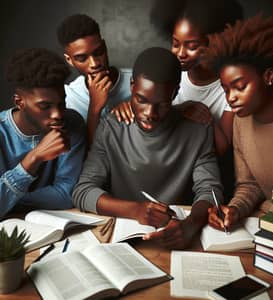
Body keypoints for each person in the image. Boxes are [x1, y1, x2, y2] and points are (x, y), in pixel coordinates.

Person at [73, 47, 223, 249]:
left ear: (176, 92)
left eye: (161, 104)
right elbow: (83, 191)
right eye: (141, 100)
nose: (149, 113)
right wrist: (135, 210)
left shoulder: (198, 130)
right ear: (132, 86)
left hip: (177, 237)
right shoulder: (111, 128)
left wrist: (190, 226)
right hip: (122, 240)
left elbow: (210, 190)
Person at [205, 14, 273, 231]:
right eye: (226, 89)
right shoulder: (241, 122)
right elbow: (250, 184)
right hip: (262, 226)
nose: (231, 97)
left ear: (268, 77)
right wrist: (235, 209)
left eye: (240, 86)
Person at [113, 0, 243, 156]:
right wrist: (129, 108)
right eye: (175, 44)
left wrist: (207, 119)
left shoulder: (230, 86)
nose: (181, 53)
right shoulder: (169, 73)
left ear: (215, 43)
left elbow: (223, 149)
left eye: (192, 46)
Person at [0, 48, 86, 218]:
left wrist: (9, 198)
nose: (58, 114)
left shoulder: (72, 123)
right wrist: (34, 158)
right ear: (19, 102)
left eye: (61, 104)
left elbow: (66, 195)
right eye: (45, 106)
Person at [56, 14, 131, 145]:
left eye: (98, 52)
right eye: (82, 58)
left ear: (105, 46)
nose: (94, 63)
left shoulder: (137, 81)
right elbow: (86, 156)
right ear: (69, 60)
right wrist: (94, 109)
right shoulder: (68, 97)